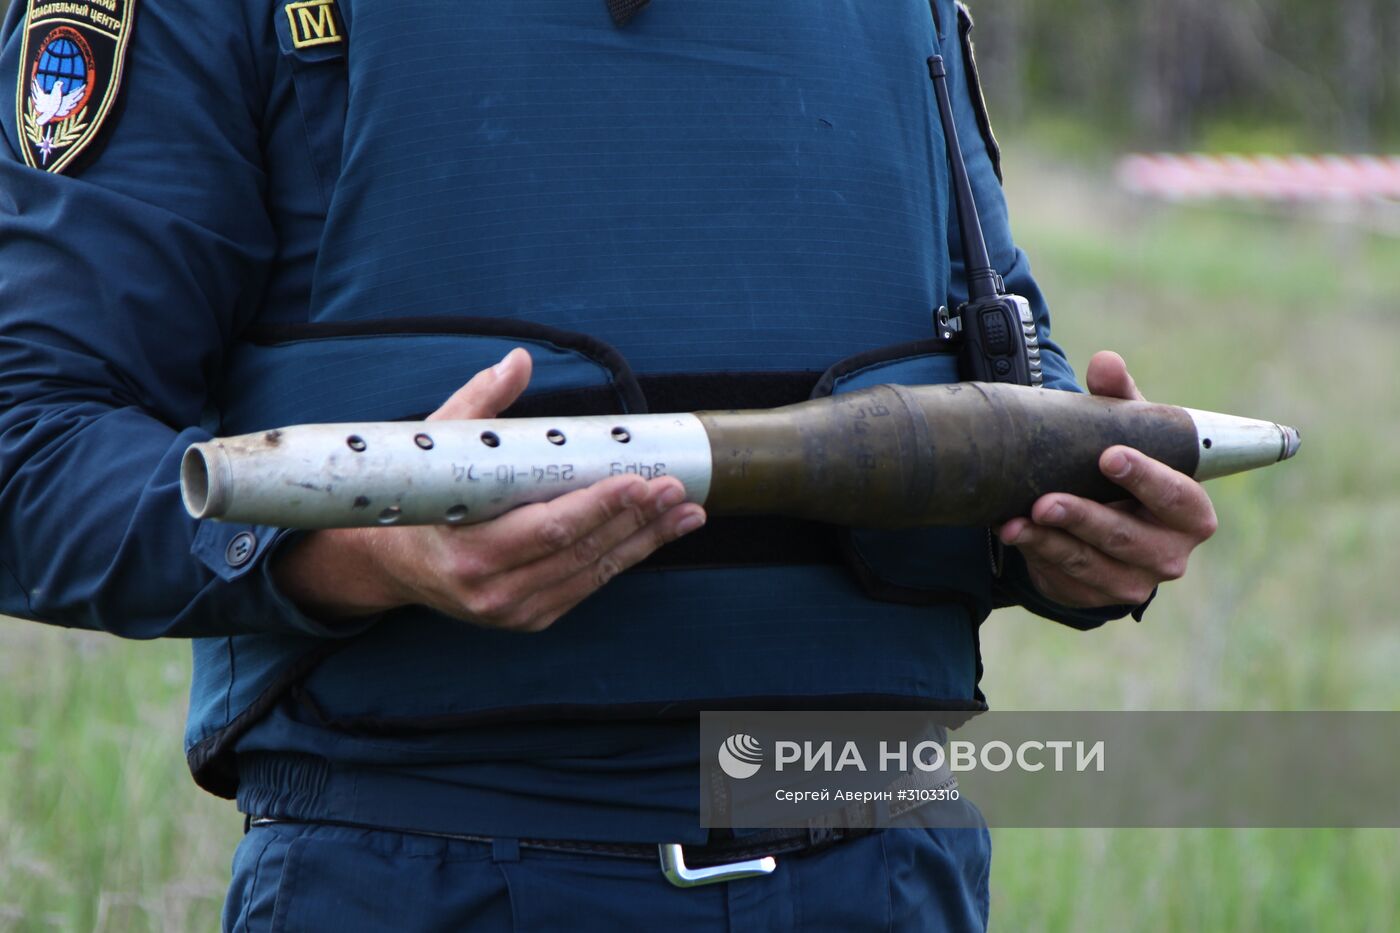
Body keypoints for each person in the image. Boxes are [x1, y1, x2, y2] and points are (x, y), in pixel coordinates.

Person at [0, 0, 1217, 929]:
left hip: (887, 871)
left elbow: (1000, 356)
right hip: (423, 870)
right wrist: (355, 555)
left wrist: (1074, 529)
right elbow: (29, 442)